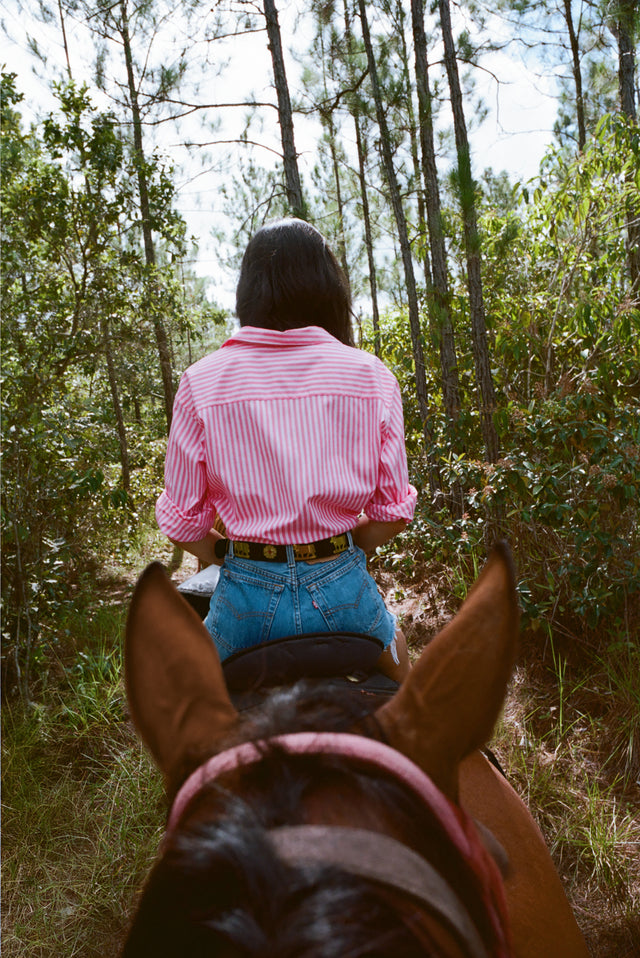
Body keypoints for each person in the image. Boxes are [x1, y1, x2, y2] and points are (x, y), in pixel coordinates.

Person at [156, 219, 417, 681]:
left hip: (244, 606)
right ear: (328, 288)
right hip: (344, 593)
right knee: (412, 694)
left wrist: (229, 555)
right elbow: (393, 512)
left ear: (248, 292)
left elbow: (181, 522)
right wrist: (338, 548)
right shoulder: (372, 376)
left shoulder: (201, 382)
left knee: (184, 703)